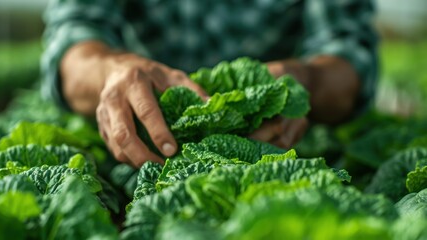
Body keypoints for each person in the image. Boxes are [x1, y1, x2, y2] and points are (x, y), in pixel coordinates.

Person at [41, 0, 378, 167]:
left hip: (281, 145)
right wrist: (111, 71)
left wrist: (306, 82)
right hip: (140, 142)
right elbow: (73, 43)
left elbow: (349, 56)